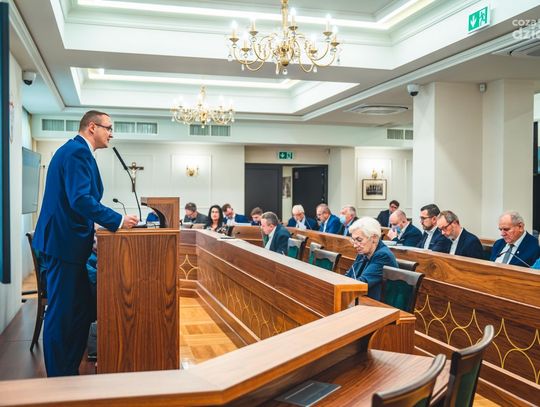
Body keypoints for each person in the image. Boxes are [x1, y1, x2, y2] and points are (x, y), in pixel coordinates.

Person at [32, 110, 139, 377]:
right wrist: (117, 220)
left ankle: (69, 366)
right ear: (92, 127)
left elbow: (74, 203)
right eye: (108, 128)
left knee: (81, 308)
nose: (111, 133)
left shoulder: (78, 151)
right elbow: (79, 199)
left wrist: (93, 232)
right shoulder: (77, 152)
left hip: (69, 242)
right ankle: (58, 377)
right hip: (63, 245)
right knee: (61, 312)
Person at [345, 217, 398, 300]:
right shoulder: (363, 251)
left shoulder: (383, 256)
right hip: (361, 299)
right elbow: (349, 275)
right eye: (354, 240)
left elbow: (362, 283)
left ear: (374, 238)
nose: (355, 245)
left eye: (359, 240)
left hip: (377, 304)